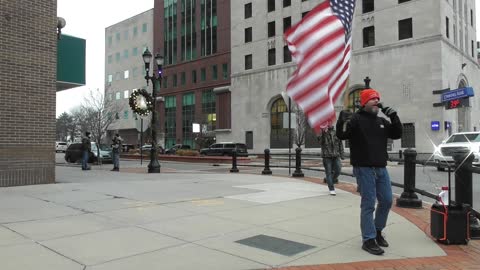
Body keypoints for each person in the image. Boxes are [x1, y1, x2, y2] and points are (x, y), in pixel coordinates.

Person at [336, 88, 402, 256]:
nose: (376, 102)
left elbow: (397, 134)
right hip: (364, 168)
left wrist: (393, 116)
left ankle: (377, 231)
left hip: (381, 168)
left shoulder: (382, 121)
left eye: (378, 99)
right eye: (372, 99)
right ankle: (368, 239)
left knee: (387, 200)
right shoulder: (356, 119)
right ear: (364, 103)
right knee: (368, 203)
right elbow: (342, 136)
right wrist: (340, 121)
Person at [319, 126, 344, 196]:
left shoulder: (336, 133)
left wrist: (342, 154)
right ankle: (331, 188)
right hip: (327, 156)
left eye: (330, 122)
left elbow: (340, 144)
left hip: (336, 155)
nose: (329, 124)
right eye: (328, 123)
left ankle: (330, 180)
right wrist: (323, 132)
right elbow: (321, 142)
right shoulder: (322, 133)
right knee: (328, 172)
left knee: (338, 170)